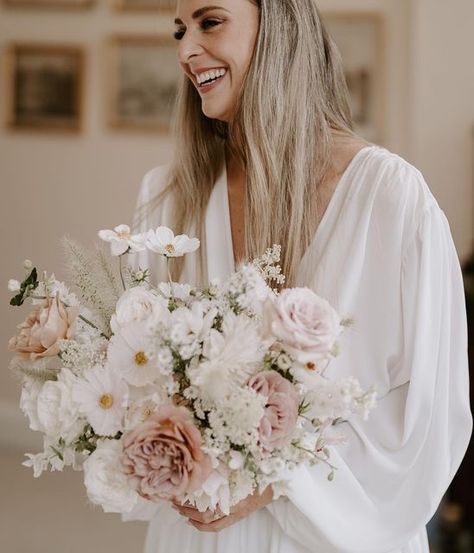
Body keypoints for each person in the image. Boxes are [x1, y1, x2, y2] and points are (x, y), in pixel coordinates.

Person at [124, 0, 473, 551]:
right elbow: (136, 380)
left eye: (209, 22)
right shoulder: (169, 201)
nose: (186, 50)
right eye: (179, 30)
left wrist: (275, 479)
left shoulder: (388, 198)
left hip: (332, 530)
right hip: (198, 534)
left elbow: (430, 414)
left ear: (279, 30)